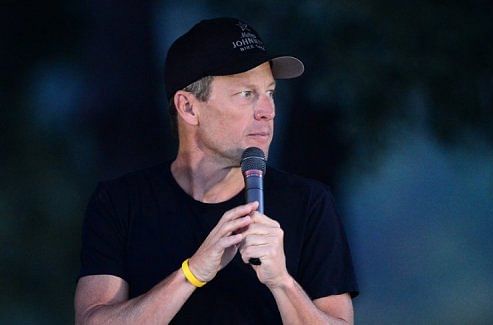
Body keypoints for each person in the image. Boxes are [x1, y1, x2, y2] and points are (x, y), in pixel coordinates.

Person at [74, 17, 358, 324]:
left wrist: (282, 282)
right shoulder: (120, 202)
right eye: (246, 94)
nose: (268, 111)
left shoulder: (309, 203)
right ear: (188, 108)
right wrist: (192, 273)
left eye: (271, 93)